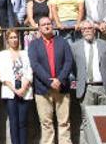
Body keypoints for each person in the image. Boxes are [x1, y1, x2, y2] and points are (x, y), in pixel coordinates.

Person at [29, 16, 74, 144]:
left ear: (52, 25)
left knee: (64, 122)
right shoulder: (34, 45)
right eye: (43, 25)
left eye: (49, 24)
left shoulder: (62, 42)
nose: (47, 26)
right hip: (43, 89)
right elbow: (35, 65)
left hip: (62, 87)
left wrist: (59, 80)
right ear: (39, 28)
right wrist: (50, 82)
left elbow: (69, 61)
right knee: (46, 123)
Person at [72, 23, 106, 133]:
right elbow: (73, 67)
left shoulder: (105, 45)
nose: (87, 30)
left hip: (104, 87)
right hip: (86, 89)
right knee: (87, 121)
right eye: (84, 28)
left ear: (94, 30)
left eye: (90, 28)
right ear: (81, 31)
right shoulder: (75, 46)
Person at [0, 28, 33, 144]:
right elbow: (3, 74)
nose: (14, 40)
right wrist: (14, 90)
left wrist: (23, 88)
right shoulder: (3, 54)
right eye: (11, 38)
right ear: (7, 40)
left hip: (24, 89)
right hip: (10, 90)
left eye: (16, 37)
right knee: (13, 122)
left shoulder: (25, 53)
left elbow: (29, 71)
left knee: (23, 122)